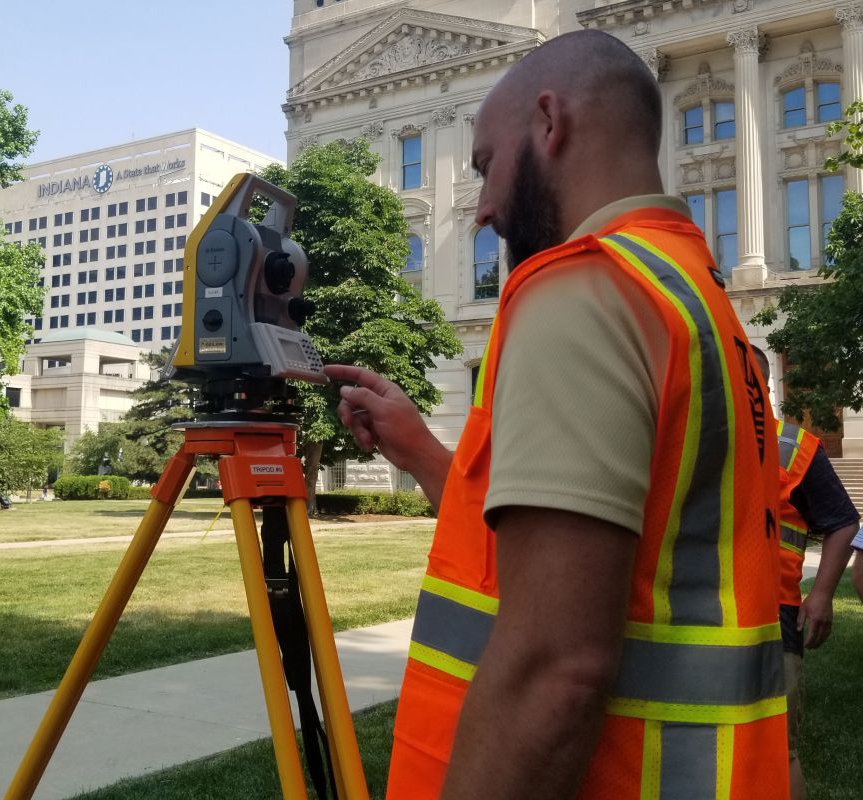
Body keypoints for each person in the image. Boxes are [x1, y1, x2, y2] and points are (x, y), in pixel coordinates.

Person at [325, 30, 787, 799]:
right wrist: (428, 458)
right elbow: (621, 557)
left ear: (549, 122)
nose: (483, 209)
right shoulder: (694, 300)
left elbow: (555, 667)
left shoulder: (579, 292)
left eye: (486, 165)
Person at [751, 348, 861, 800]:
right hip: (695, 610)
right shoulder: (692, 437)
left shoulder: (793, 448)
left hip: (775, 615)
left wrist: (821, 597)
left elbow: (841, 521)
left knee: (778, 747)